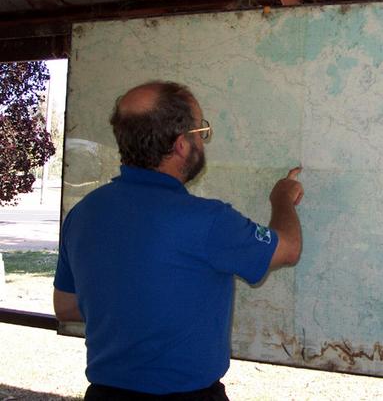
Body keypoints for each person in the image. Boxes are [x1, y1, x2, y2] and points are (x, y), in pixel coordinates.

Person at [53, 81, 304, 400]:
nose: (203, 139)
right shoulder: (209, 221)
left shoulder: (84, 213)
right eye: (201, 131)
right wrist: (282, 197)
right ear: (182, 145)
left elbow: (66, 306)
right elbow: (289, 248)